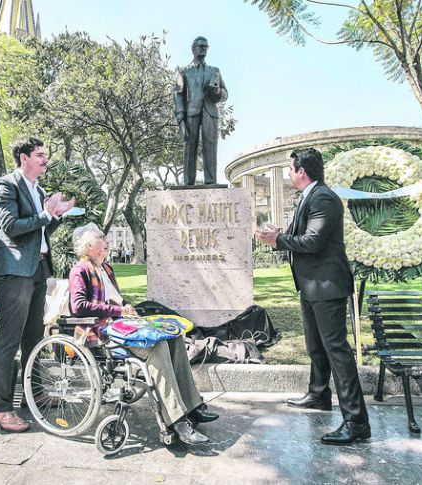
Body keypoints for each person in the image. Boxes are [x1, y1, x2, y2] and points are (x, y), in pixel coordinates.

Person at [254, 148, 371, 445]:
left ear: (301, 171)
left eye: (291, 170)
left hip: (327, 286)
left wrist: (277, 240)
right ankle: (319, 394)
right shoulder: (309, 196)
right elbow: (303, 234)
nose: (290, 174)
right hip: (310, 285)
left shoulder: (323, 198)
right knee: (316, 346)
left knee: (337, 352)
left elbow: (314, 241)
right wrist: (280, 234)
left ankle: (356, 421)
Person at [68, 223, 219, 445]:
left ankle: (192, 406)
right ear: (89, 246)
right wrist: (119, 311)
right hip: (104, 333)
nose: (106, 241)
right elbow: (79, 306)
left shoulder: (106, 269)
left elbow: (118, 299)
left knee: (173, 336)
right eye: (101, 238)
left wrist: (128, 308)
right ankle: (177, 420)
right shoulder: (79, 270)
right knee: (156, 348)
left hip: (124, 326)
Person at [0, 137, 75, 432]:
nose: (45, 159)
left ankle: (33, 394)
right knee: (9, 339)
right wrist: (45, 214)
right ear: (23, 158)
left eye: (45, 155)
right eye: (40, 155)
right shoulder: (5, 185)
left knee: (34, 338)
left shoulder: (40, 190)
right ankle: (0, 409)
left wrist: (56, 216)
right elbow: (10, 226)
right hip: (15, 272)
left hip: (38, 269)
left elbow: (41, 228)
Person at [174, 36, 228, 186]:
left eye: (206, 46)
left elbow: (225, 94)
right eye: (201, 46)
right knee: (189, 147)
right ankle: (188, 182)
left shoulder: (214, 71)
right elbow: (178, 95)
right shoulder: (183, 70)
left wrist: (217, 92)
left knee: (211, 146)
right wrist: (180, 120)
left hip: (210, 112)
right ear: (193, 48)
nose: (204, 48)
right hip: (191, 112)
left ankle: (211, 181)